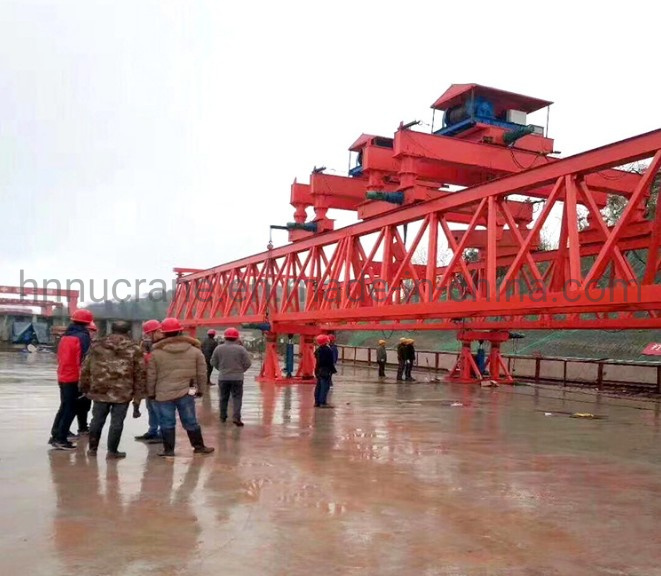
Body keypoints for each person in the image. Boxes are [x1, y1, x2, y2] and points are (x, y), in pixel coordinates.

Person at [147, 317, 214, 457]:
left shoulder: (156, 353)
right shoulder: (195, 351)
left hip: (163, 393)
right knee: (190, 420)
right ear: (180, 331)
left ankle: (169, 450)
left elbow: (151, 376)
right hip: (187, 392)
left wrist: (151, 393)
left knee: (167, 422)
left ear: (164, 333)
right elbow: (202, 373)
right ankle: (199, 447)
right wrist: (201, 390)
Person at [79, 321, 145, 459]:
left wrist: (84, 388)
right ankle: (112, 451)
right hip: (123, 392)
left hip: (100, 390)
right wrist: (138, 399)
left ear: (112, 330)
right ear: (128, 332)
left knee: (97, 420)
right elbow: (140, 374)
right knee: (117, 422)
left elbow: (85, 368)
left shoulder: (97, 346)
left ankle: (92, 449)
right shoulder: (134, 349)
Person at [49, 309, 94, 450]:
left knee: (64, 406)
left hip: (63, 376)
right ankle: (61, 439)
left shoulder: (65, 336)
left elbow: (60, 357)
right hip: (75, 378)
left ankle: (55, 434)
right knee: (71, 408)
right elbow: (84, 361)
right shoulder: (83, 337)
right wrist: (85, 381)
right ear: (87, 323)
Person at [210, 327, 252, 426]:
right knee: (237, 398)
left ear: (225, 337)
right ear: (236, 338)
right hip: (237, 378)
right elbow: (248, 363)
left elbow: (212, 362)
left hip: (223, 377)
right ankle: (236, 418)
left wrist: (221, 369)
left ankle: (223, 417)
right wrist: (241, 371)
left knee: (223, 397)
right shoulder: (241, 349)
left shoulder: (219, 348)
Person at [134, 319, 164, 444]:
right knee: (151, 408)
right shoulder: (152, 343)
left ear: (157, 331)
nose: (147, 337)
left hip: (160, 383)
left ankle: (163, 433)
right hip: (150, 382)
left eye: (149, 334)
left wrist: (147, 358)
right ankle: (152, 431)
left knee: (160, 409)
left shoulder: (165, 344)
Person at [313, 334, 336, 408]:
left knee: (318, 386)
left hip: (318, 370)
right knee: (325, 387)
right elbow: (330, 362)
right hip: (326, 370)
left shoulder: (318, 350)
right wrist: (332, 370)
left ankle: (317, 402)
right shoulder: (328, 350)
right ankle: (323, 402)